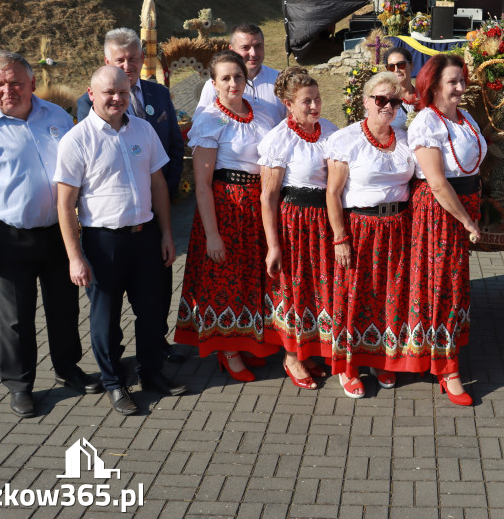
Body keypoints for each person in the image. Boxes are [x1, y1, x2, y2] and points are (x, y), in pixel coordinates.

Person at [0, 51, 100, 419]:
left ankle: (67, 369)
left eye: (15, 83)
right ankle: (20, 384)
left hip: (59, 234)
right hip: (10, 239)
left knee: (64, 306)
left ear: (30, 83)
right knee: (15, 317)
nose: (7, 90)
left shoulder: (57, 117)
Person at [56, 66, 185, 416]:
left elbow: (158, 185)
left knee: (151, 312)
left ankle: (152, 373)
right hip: (103, 244)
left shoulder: (142, 129)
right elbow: (65, 203)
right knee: (105, 319)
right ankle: (114, 383)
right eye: (109, 92)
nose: (117, 99)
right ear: (91, 94)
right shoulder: (76, 140)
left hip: (145, 237)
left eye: (123, 93)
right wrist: (74, 256)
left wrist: (167, 235)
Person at [78, 28, 185, 364]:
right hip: (110, 224)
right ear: (107, 61)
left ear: (142, 58)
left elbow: (174, 147)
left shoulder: (158, 93)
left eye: (133, 58)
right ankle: (116, 361)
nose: (128, 64)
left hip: (154, 215)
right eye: (119, 59)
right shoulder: (90, 102)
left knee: (156, 290)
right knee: (108, 302)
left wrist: (163, 196)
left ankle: (156, 348)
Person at [173, 51, 280, 381]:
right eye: (225, 78)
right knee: (225, 278)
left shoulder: (260, 112)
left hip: (257, 205)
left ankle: (246, 339)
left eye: (237, 76)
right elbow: (202, 185)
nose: (233, 83)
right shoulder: (212, 120)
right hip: (226, 207)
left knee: (251, 277)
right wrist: (213, 234)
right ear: (213, 83)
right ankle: (227, 350)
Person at [325, 71, 415, 398]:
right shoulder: (346, 140)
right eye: (380, 99)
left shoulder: (404, 137)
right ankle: (348, 366)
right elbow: (332, 193)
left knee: (389, 294)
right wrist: (340, 238)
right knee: (355, 296)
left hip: (398, 228)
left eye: (394, 101)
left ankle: (380, 357)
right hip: (360, 227)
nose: (387, 106)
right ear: (366, 102)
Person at [407, 53, 486, 406]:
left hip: (462, 208)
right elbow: (437, 183)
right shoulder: (426, 122)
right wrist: (467, 219)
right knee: (441, 284)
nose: (459, 87)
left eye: (461, 80)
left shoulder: (465, 117)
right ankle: (446, 367)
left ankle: (444, 356)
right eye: (452, 81)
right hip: (442, 212)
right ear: (433, 84)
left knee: (453, 283)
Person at [259, 67, 339, 391]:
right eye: (306, 101)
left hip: (325, 221)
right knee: (295, 288)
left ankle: (310, 351)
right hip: (295, 223)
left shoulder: (330, 130)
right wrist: (273, 245)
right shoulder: (279, 138)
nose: (314, 106)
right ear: (288, 104)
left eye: (317, 99)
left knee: (321, 290)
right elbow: (268, 197)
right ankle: (291, 356)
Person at [195, 23, 285, 121]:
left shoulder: (280, 80)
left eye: (258, 46)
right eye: (245, 47)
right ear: (232, 50)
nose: (253, 53)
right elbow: (200, 121)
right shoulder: (214, 86)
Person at [384, 48, 418, 130]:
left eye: (401, 65)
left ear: (411, 66)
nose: (396, 70)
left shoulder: (425, 96)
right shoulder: (384, 101)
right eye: (391, 67)